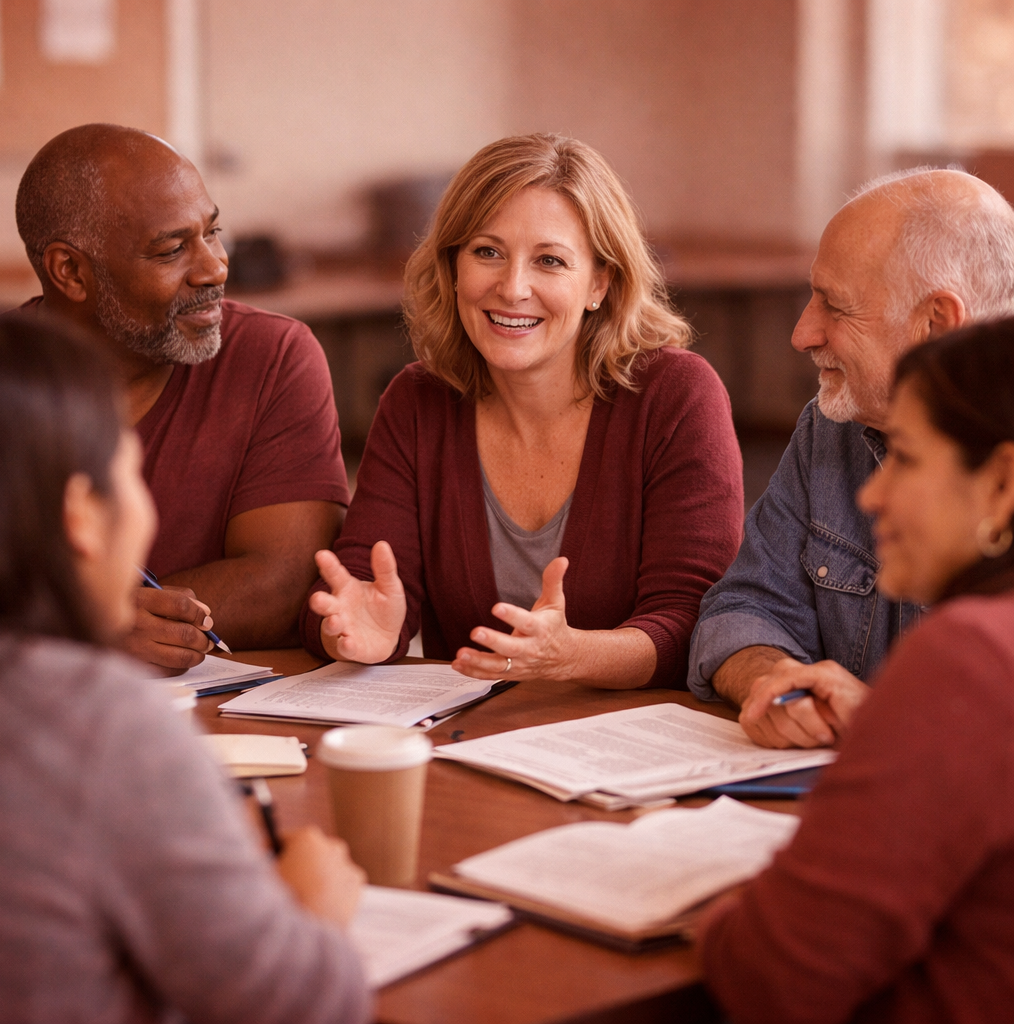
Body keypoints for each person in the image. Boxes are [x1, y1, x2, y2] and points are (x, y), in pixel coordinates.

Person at [0, 313, 370, 1024]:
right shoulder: (97, 723)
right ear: (80, 514)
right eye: (129, 473)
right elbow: (303, 1004)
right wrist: (310, 899)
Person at [300, 133, 743, 689]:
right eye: (487, 252)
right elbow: (362, 587)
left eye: (550, 261)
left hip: (630, 753)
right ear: (454, 266)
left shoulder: (676, 396)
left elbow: (695, 624)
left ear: (599, 284)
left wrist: (570, 656)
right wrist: (352, 633)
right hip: (471, 745)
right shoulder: (418, 402)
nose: (512, 288)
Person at [699, 320, 1014, 1024]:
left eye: (903, 457)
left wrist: (718, 900)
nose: (872, 498)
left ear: (1000, 483)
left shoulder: (971, 658)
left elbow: (770, 976)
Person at [687, 167, 1014, 746]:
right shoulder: (836, 423)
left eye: (834, 306)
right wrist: (777, 680)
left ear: (936, 324)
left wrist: (896, 722)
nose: (802, 333)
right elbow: (742, 606)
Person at [14, 124, 350, 671]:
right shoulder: (7, 382)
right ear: (70, 271)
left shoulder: (273, 355)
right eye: (172, 249)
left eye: (213, 232)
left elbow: (285, 583)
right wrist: (85, 625)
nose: (215, 267)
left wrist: (86, 619)